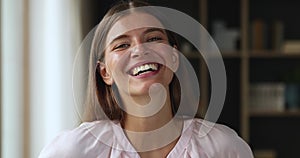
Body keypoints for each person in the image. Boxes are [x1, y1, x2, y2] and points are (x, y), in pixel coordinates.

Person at [39, 1, 253, 157]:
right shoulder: (75, 150)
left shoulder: (224, 148)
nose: (140, 50)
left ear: (174, 58)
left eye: (153, 39)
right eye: (122, 45)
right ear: (105, 73)